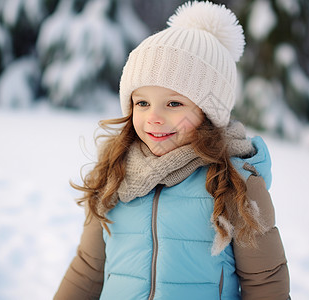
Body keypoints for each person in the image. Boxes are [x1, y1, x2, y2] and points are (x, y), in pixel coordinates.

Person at [54, 1, 290, 299]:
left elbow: (265, 282)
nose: (154, 117)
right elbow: (88, 269)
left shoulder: (235, 183)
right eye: (142, 103)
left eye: (174, 103)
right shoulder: (116, 173)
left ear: (208, 111)